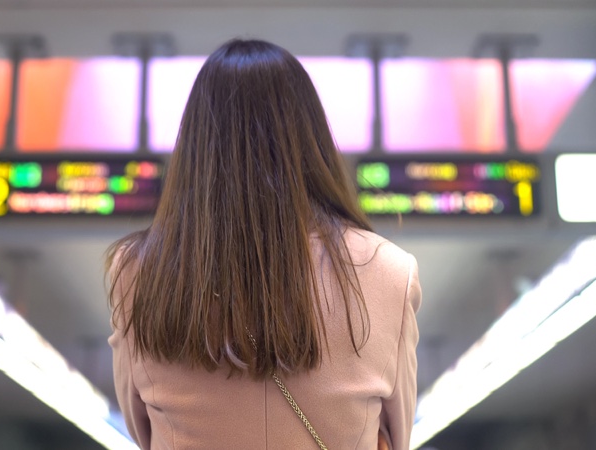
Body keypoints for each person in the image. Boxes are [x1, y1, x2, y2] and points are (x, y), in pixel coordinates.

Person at [107, 38, 421, 450]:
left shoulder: (137, 272)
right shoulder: (390, 273)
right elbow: (395, 436)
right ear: (310, 141)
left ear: (197, 146)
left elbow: (141, 429)